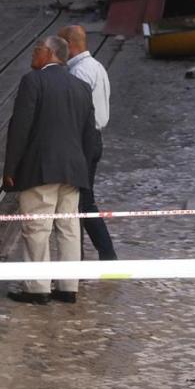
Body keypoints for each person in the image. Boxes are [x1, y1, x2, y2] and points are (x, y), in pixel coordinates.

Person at [2, 35, 101, 305]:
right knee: (69, 227)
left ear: (50, 53)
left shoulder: (33, 81)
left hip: (41, 168)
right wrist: (83, 169)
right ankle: (68, 287)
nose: (33, 54)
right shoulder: (81, 87)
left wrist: (11, 167)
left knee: (37, 227)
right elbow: (90, 135)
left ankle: (37, 288)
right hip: (73, 170)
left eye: (37, 49)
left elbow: (20, 127)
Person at [60, 25, 118, 261]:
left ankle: (103, 255)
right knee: (83, 201)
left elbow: (75, 113)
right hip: (94, 139)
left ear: (69, 44)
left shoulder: (79, 72)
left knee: (82, 202)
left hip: (83, 141)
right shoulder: (96, 66)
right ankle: (95, 255)